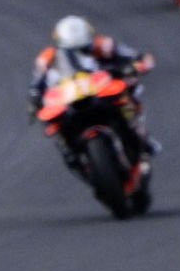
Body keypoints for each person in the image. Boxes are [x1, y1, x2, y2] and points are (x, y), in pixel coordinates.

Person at [27, 15, 158, 175]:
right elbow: (36, 83)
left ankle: (140, 135)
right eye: (71, 51)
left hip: (102, 89)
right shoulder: (47, 58)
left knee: (130, 90)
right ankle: (67, 151)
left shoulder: (104, 45)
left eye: (82, 49)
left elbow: (139, 58)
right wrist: (34, 99)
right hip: (68, 97)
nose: (78, 54)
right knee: (49, 117)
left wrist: (136, 66)